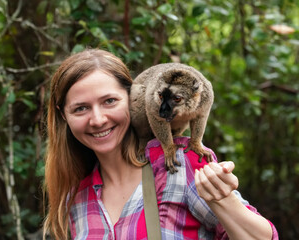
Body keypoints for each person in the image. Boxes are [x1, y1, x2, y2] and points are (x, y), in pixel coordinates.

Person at [43, 48, 278, 240]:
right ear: (64, 115)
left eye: (110, 101)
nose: (97, 120)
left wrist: (222, 199)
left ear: (131, 98)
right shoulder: (74, 198)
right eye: (81, 108)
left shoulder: (180, 163)